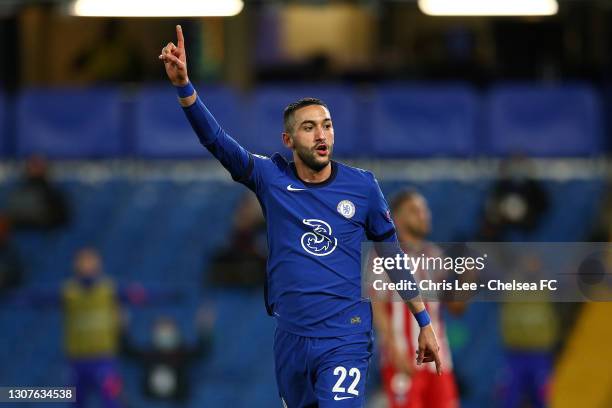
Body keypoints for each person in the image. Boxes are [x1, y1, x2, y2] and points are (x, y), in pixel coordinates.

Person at [160, 25, 441, 407]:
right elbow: (217, 142)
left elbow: (393, 258)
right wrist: (185, 89)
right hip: (291, 338)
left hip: (346, 337)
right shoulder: (271, 178)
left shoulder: (362, 187)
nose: (321, 134)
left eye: (327, 125)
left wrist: (423, 323)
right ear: (288, 141)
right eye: (309, 128)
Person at [372, 190, 459, 408]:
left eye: (424, 210)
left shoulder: (435, 255)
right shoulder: (383, 255)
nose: (424, 215)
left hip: (440, 363)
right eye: (415, 210)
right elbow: (377, 305)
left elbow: (455, 306)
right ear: (398, 218)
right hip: (404, 359)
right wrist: (393, 349)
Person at [5, 155, 70, 230]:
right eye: (33, 165)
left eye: (38, 165)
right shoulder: (17, 193)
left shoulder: (55, 194)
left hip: (48, 234)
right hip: (21, 233)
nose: (35, 169)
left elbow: (62, 220)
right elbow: (10, 217)